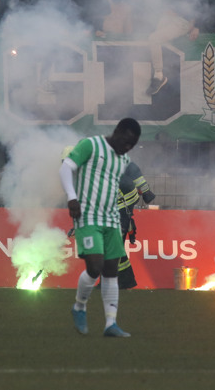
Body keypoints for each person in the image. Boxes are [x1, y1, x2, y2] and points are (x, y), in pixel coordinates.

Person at [59, 117, 141, 338]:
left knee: (111, 271)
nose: (128, 147)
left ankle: (110, 324)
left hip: (111, 219)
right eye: (126, 142)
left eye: (132, 145)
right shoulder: (90, 145)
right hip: (88, 216)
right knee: (95, 266)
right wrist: (72, 198)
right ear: (117, 132)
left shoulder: (123, 160)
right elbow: (66, 168)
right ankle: (79, 306)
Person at [116, 160, 157, 290]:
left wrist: (146, 192)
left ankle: (116, 282)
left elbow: (134, 171)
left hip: (121, 204)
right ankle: (123, 281)